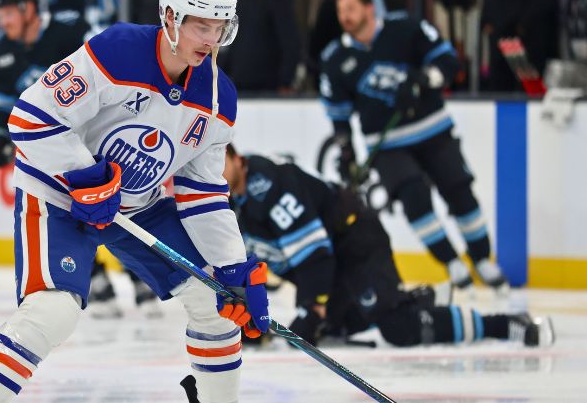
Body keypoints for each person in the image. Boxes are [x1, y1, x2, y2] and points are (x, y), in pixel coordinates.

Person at [0, 0, 271, 403]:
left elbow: (202, 192)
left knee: (215, 304)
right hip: (59, 196)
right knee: (53, 312)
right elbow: (29, 115)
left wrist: (232, 266)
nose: (211, 40)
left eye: (219, 28)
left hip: (136, 206)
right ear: (170, 17)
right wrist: (86, 176)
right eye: (202, 26)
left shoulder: (219, 97)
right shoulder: (118, 50)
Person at [223, 145, 554, 348]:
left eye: (220, 160)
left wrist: (312, 307)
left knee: (398, 327)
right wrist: (251, 316)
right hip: (333, 261)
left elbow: (313, 254)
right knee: (338, 327)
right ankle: (418, 300)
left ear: (237, 158)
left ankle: (505, 324)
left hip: (356, 242)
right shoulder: (227, 203)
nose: (216, 170)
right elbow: (244, 264)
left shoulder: (267, 185)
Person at [320, 0, 507, 290]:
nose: (345, 17)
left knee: (459, 191)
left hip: (432, 130)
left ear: (369, 8)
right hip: (387, 144)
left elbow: (448, 62)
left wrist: (423, 79)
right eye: (341, 11)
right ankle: (451, 262)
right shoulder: (335, 58)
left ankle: (482, 258)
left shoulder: (406, 28)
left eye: (350, 9)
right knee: (414, 198)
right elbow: (339, 115)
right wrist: (346, 152)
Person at [0, 0, 90, 168]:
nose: (3, 23)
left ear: (29, 9)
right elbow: (3, 108)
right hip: (47, 144)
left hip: (89, 127)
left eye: (8, 14)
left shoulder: (71, 29)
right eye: (0, 16)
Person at [220, 0, 300, 95]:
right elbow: (226, 41)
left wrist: (286, 80)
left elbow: (290, 42)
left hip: (271, 88)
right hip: (237, 85)